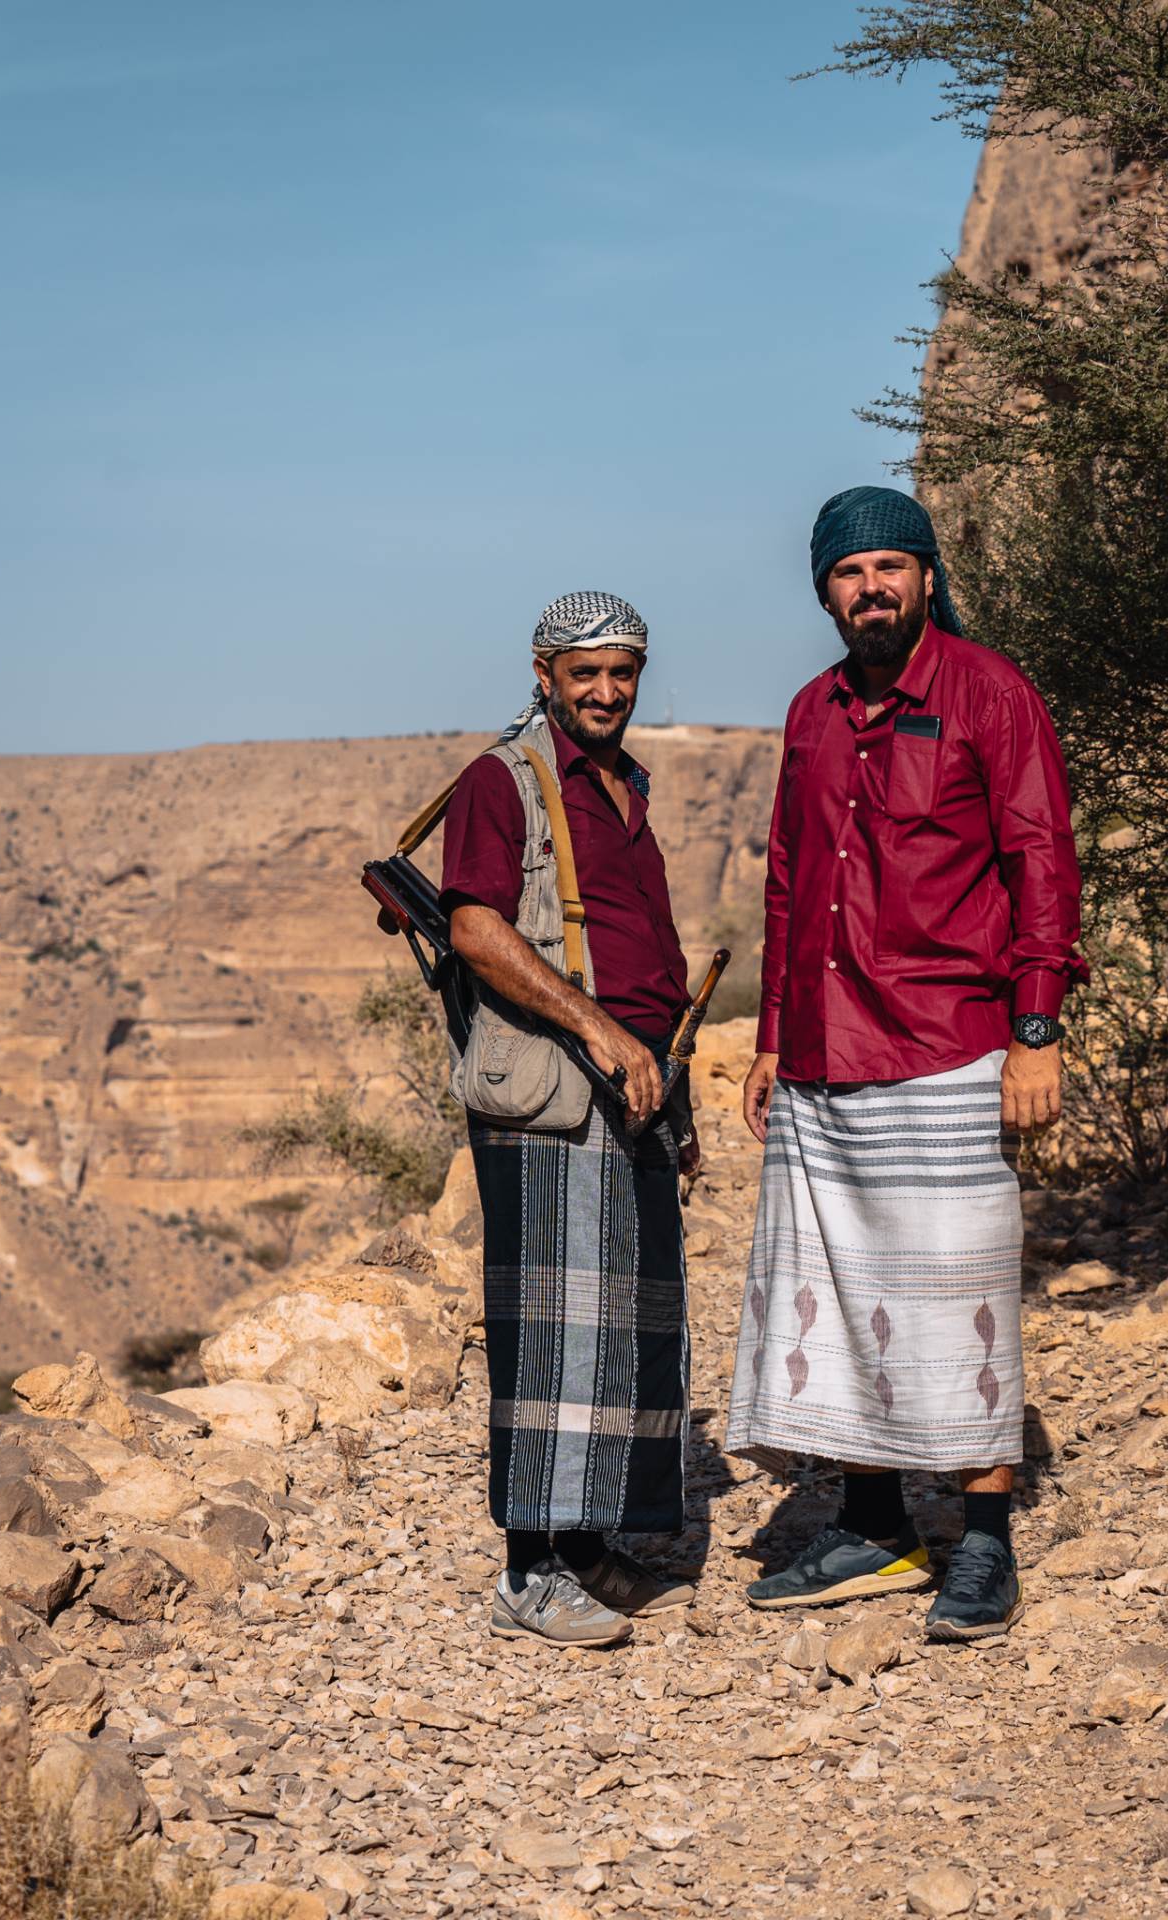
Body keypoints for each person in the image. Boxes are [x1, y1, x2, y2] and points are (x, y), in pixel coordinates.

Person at [726, 487, 1086, 1641]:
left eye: (891, 566)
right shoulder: (812, 712)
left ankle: (984, 1546)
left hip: (948, 1041)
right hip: (825, 1052)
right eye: (848, 572)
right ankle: (875, 1531)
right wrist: (774, 1038)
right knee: (836, 1294)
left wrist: (1036, 1028)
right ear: (824, 590)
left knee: (957, 1294)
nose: (870, 589)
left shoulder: (991, 692)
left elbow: (1042, 861)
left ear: (927, 576)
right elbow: (789, 879)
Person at [441, 590, 698, 1648]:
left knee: (626, 1325)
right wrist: (600, 1030)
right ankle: (528, 1574)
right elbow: (475, 928)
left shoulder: (622, 782)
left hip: (634, 1086)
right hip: (555, 1089)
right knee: (553, 1330)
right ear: (543, 673)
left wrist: (665, 1075)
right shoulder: (501, 782)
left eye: (621, 672)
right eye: (583, 672)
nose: (604, 691)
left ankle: (588, 1546)